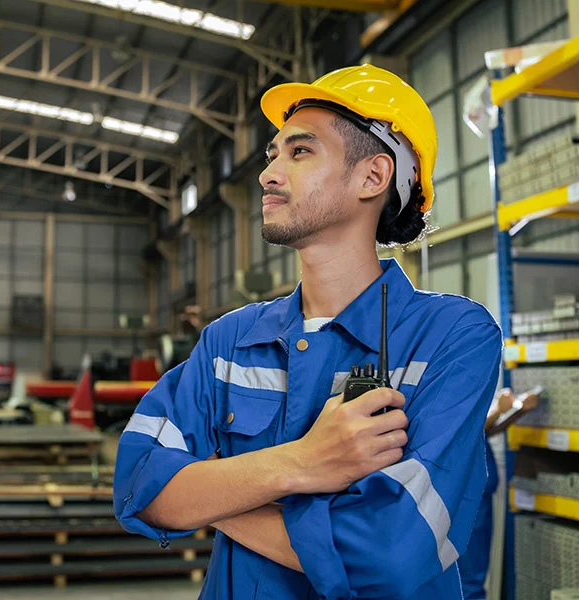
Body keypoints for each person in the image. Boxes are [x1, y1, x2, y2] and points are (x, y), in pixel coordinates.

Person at [113, 64, 503, 600]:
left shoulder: (452, 337)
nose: (268, 174)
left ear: (373, 176)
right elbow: (139, 485)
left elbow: (391, 551)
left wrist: (217, 489)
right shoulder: (230, 341)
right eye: (274, 154)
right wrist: (303, 463)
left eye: (300, 152)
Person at [458, 388, 540, 600]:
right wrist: (498, 411)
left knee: (474, 574)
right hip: (464, 494)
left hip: (476, 492)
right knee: (469, 579)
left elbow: (484, 432)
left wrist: (517, 410)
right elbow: (464, 431)